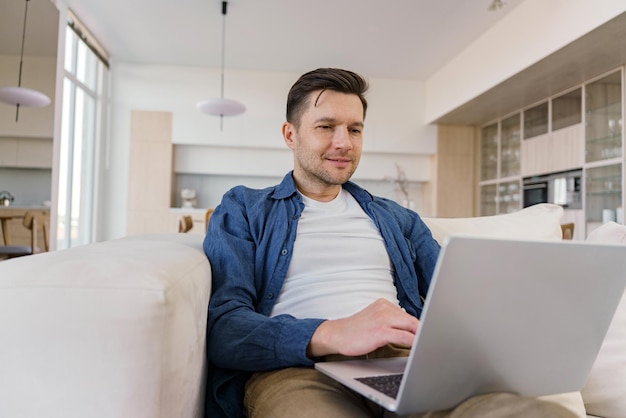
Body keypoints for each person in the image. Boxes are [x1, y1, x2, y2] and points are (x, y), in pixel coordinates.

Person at [203, 68, 576, 418]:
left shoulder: (398, 219)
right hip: (300, 370)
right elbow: (225, 328)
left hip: (405, 363)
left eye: (354, 129)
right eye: (326, 126)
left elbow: (458, 299)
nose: (343, 142)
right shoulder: (245, 208)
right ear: (290, 134)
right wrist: (334, 332)